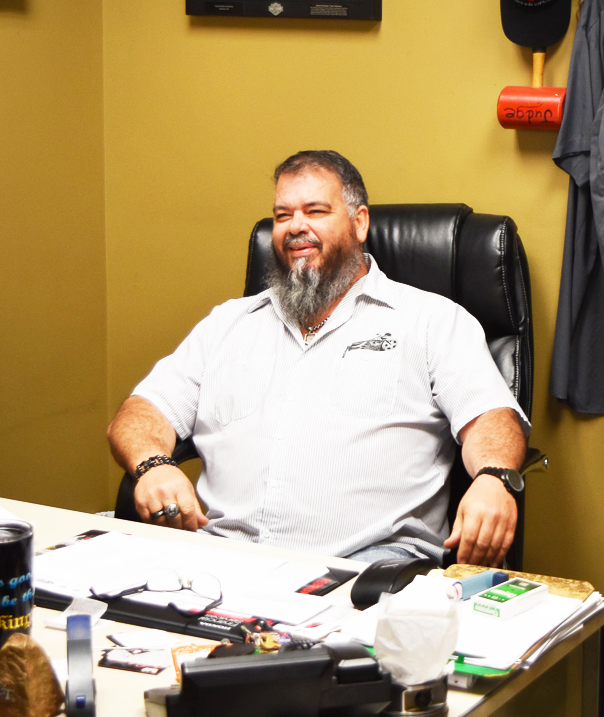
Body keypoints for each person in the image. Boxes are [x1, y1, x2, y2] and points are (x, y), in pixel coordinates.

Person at [108, 150, 529, 567]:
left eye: (315, 211)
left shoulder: (431, 321)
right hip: (221, 559)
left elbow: (491, 418)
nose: (296, 226)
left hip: (364, 570)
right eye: (282, 215)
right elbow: (141, 413)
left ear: (359, 222)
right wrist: (152, 465)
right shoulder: (228, 323)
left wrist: (494, 477)